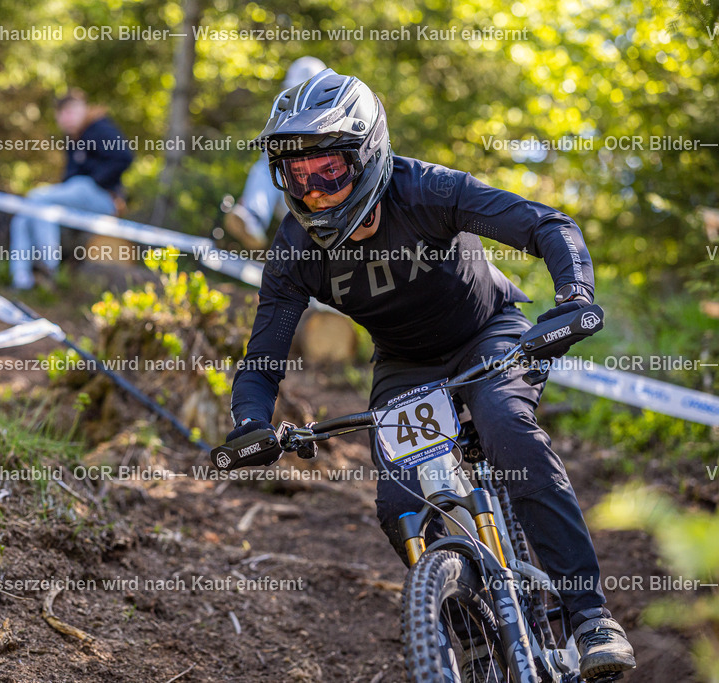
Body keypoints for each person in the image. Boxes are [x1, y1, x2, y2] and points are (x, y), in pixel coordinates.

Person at [224, 69, 636, 680]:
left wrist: (574, 299)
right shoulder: (294, 250)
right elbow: (264, 356)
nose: (315, 194)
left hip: (487, 334)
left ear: (366, 157)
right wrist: (251, 422)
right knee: (397, 503)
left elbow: (549, 225)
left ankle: (587, 616)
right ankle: (465, 631)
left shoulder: (426, 191)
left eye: (329, 173)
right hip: (405, 364)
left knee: (505, 429)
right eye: (298, 178)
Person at [10, 89, 133, 289]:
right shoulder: (73, 138)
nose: (67, 118)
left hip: (102, 198)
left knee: (37, 198)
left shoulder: (99, 127)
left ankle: (49, 267)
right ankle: (21, 279)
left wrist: (96, 181)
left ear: (83, 109)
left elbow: (124, 157)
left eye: (71, 112)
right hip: (78, 195)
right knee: (24, 215)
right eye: (63, 113)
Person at [223, 56, 326, 250]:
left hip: (331, 199)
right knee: (267, 166)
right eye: (296, 92)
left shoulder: (342, 116)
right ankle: (251, 217)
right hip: (297, 198)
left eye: (305, 92)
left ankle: (253, 216)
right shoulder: (284, 122)